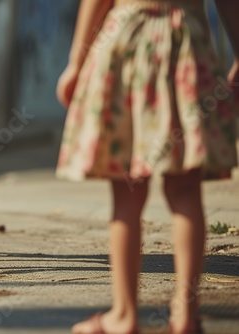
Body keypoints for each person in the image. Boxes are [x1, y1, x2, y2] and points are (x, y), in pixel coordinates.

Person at [56, 0, 239, 333]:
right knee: (185, 189)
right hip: (188, 40)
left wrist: (75, 62)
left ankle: (124, 316)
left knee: (127, 193)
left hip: (127, 38)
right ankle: (185, 317)